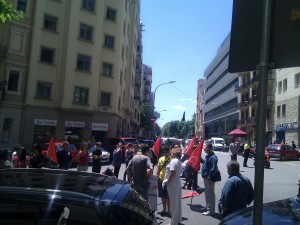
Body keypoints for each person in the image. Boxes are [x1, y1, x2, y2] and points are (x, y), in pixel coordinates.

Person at [162, 147, 182, 225]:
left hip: (173, 183)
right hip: (176, 182)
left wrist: (168, 181)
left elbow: (172, 172)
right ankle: (176, 219)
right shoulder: (178, 161)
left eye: (171, 152)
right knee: (177, 202)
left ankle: (173, 222)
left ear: (173, 153)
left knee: (173, 203)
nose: (170, 153)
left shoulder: (174, 161)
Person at [200, 142, 219, 216]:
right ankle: (207, 206)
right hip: (206, 177)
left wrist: (209, 177)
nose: (204, 149)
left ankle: (211, 210)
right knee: (207, 193)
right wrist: (201, 160)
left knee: (210, 194)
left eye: (206, 148)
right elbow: (205, 163)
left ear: (210, 148)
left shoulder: (213, 157)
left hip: (209, 178)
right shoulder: (208, 156)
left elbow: (213, 169)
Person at [157, 146, 171, 217]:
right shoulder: (161, 159)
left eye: (167, 152)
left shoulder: (172, 160)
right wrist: (157, 177)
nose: (165, 153)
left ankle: (169, 211)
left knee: (168, 197)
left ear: (169, 152)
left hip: (168, 180)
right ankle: (164, 209)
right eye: (164, 152)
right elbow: (158, 169)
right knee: (162, 196)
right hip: (161, 179)